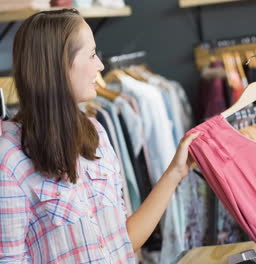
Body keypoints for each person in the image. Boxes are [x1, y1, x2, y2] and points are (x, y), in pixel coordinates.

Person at [0, 9, 199, 263]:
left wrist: (176, 172)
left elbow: (122, 243)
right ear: (60, 64)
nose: (101, 66)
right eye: (92, 54)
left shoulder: (96, 134)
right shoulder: (10, 159)